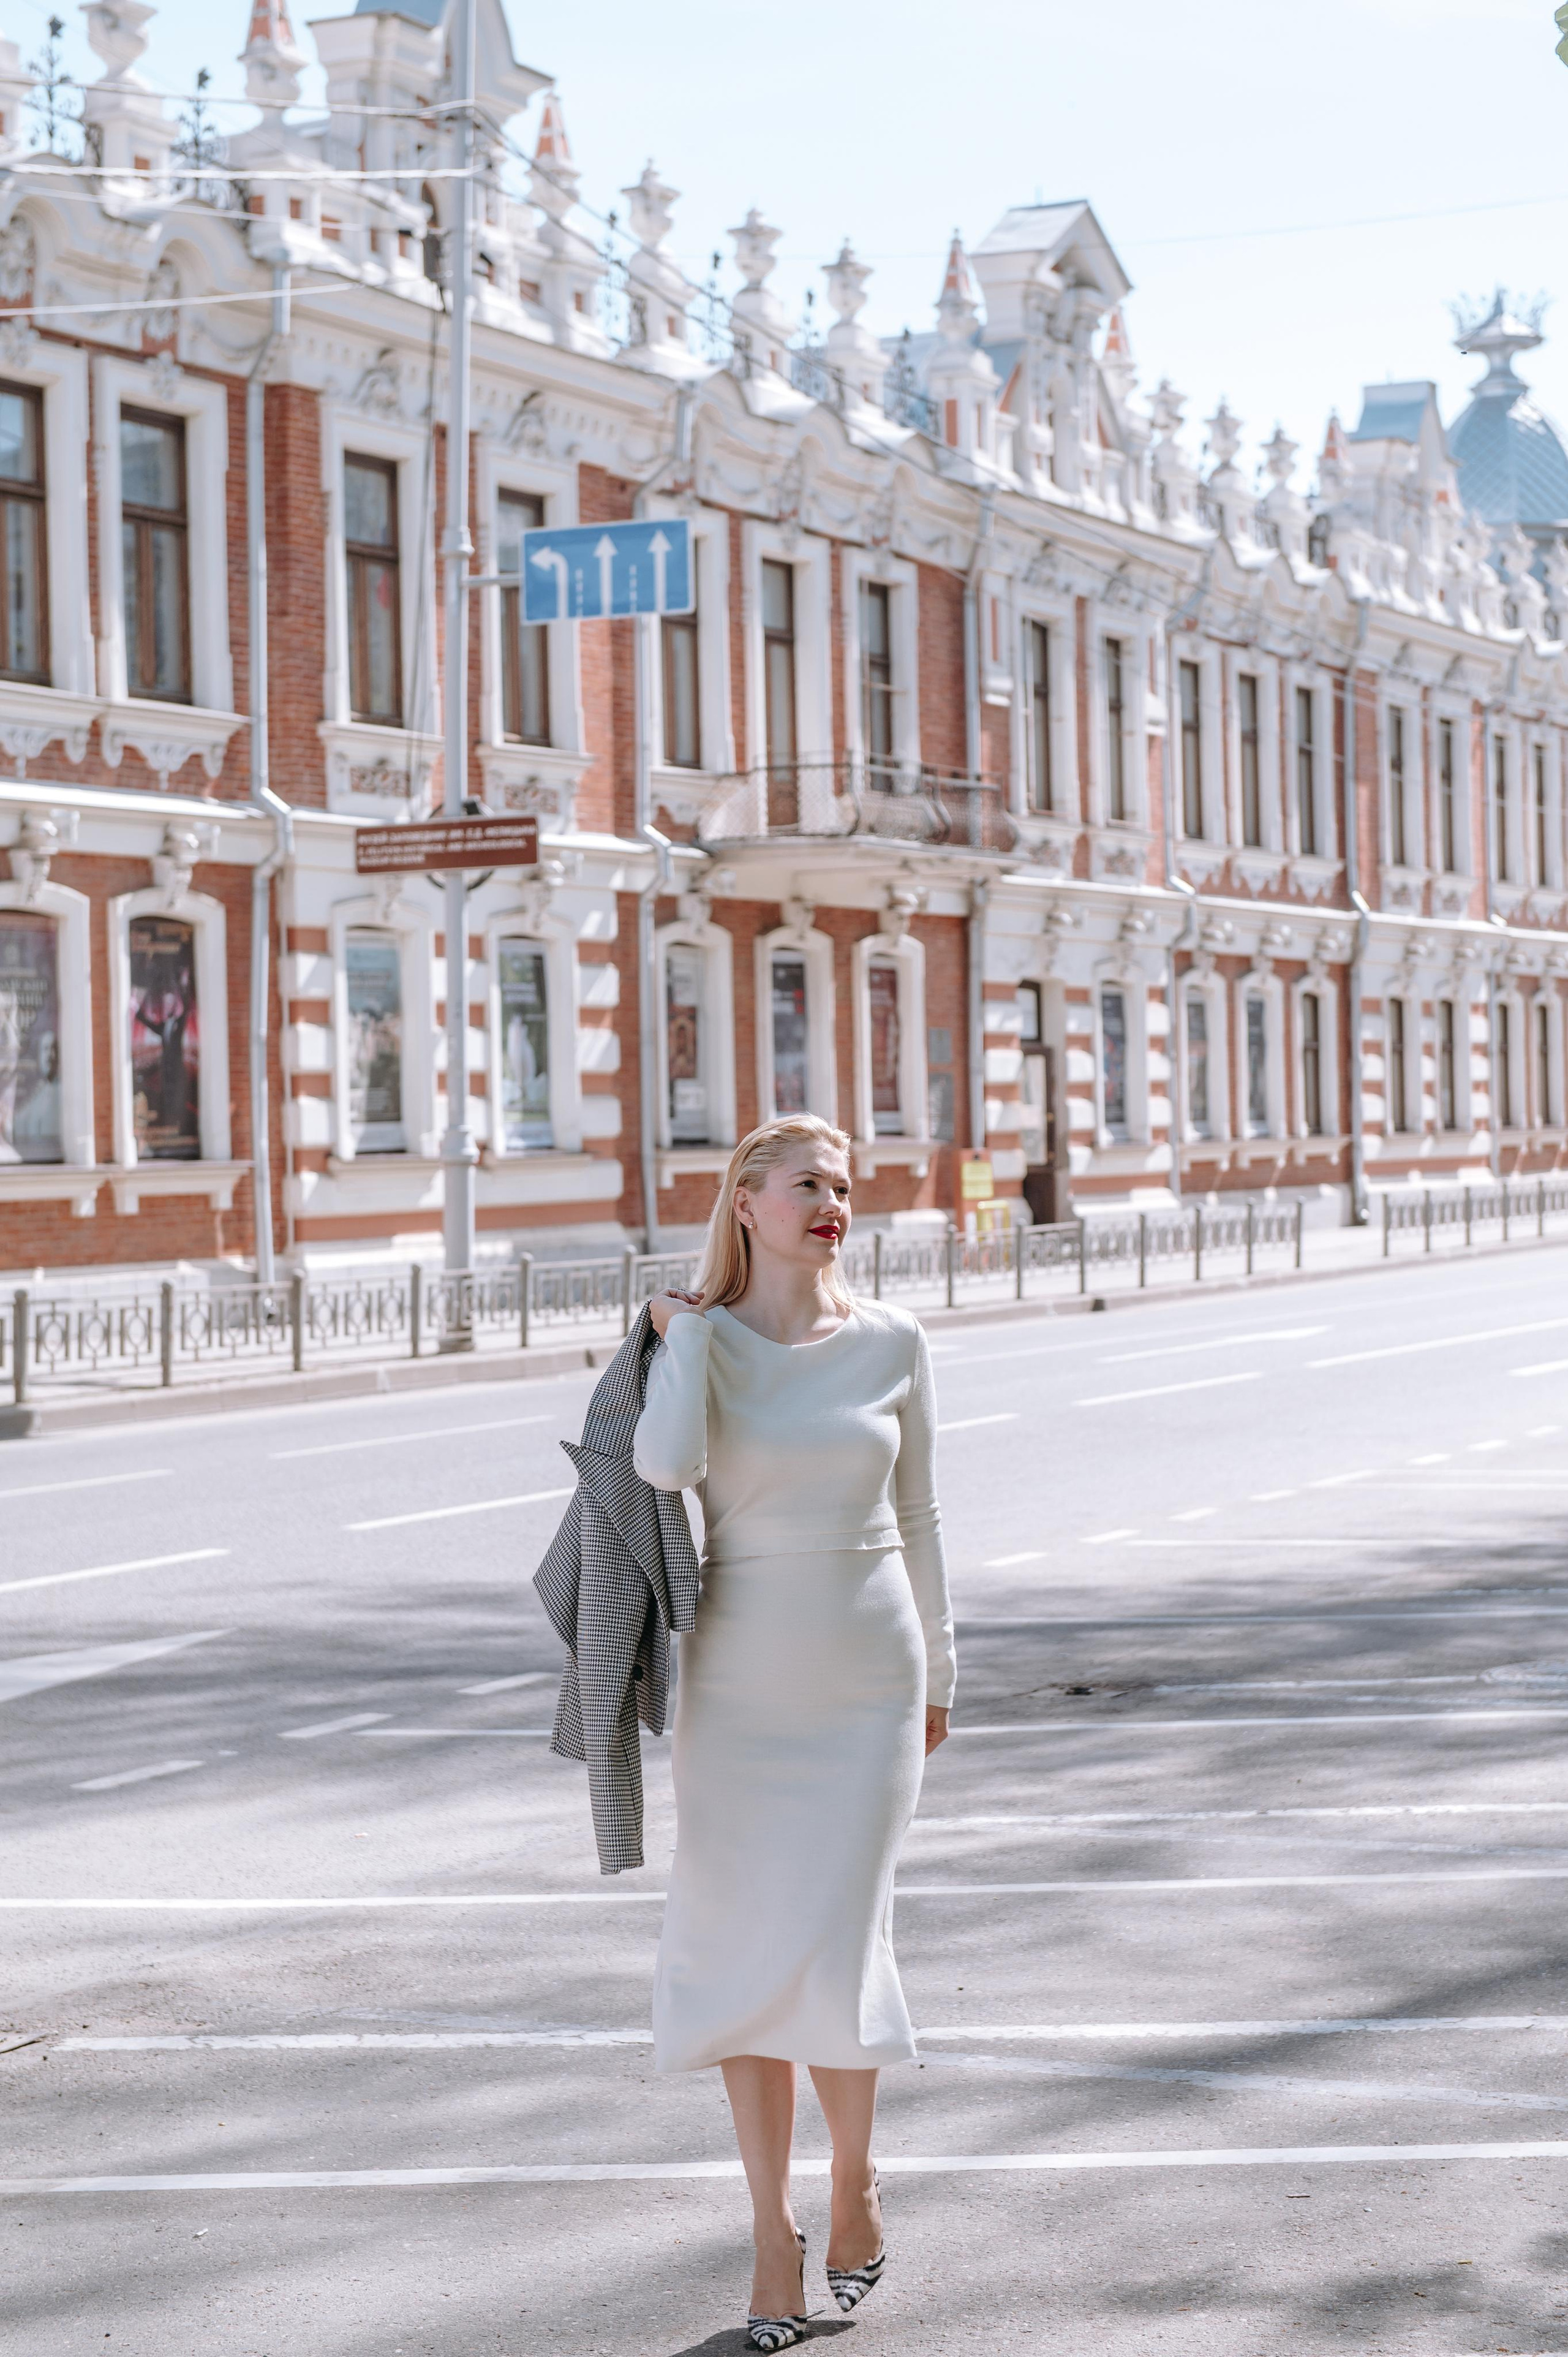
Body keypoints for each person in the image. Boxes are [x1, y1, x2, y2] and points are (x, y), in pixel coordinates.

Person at [633, 1113, 956, 2350]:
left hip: (869, 1668)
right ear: (747, 1204)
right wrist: (682, 1338)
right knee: (741, 1947)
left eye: (843, 1183)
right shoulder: (705, 1338)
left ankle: (853, 2180)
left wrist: (944, 1671)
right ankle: (770, 2236)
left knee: (833, 1932)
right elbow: (665, 1467)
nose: (833, 1199)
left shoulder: (892, 1339)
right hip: (740, 1672)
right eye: (807, 1182)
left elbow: (920, 1512)